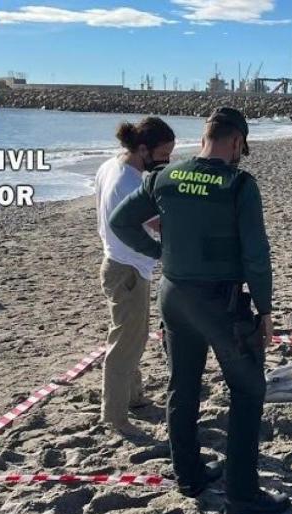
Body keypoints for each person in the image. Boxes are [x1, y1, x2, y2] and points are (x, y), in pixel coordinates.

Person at [110, 107, 289, 514]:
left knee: (182, 387)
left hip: (174, 296)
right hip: (220, 302)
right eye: (243, 147)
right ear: (237, 142)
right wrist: (265, 309)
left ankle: (188, 476)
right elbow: (256, 254)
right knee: (247, 391)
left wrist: (162, 253)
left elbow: (121, 223)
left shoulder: (163, 177)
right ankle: (242, 496)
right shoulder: (239, 184)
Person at [95, 117, 175, 436]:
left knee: (134, 335)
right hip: (127, 270)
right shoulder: (130, 183)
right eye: (164, 156)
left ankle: (133, 398)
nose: (167, 163)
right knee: (124, 343)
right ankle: (115, 416)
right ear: (143, 149)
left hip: (117, 264)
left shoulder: (110, 166)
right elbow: (156, 224)